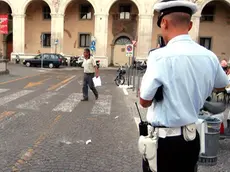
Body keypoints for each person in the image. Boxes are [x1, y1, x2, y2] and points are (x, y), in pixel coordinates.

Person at [139, 0, 229, 172]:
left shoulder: (159, 56)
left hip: (164, 144)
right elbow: (221, 85)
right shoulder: (209, 56)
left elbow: (144, 101)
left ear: (164, 23)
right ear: (190, 25)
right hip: (191, 139)